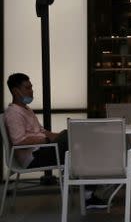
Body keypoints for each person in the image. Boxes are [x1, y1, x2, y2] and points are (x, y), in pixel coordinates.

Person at [4, 73, 107, 208]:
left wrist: (60, 136)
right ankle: (90, 192)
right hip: (32, 157)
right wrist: (48, 140)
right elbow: (19, 141)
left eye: (31, 87)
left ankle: (89, 191)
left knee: (76, 140)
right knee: (80, 145)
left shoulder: (26, 109)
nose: (31, 91)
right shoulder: (13, 113)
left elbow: (43, 132)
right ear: (16, 91)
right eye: (27, 88)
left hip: (44, 150)